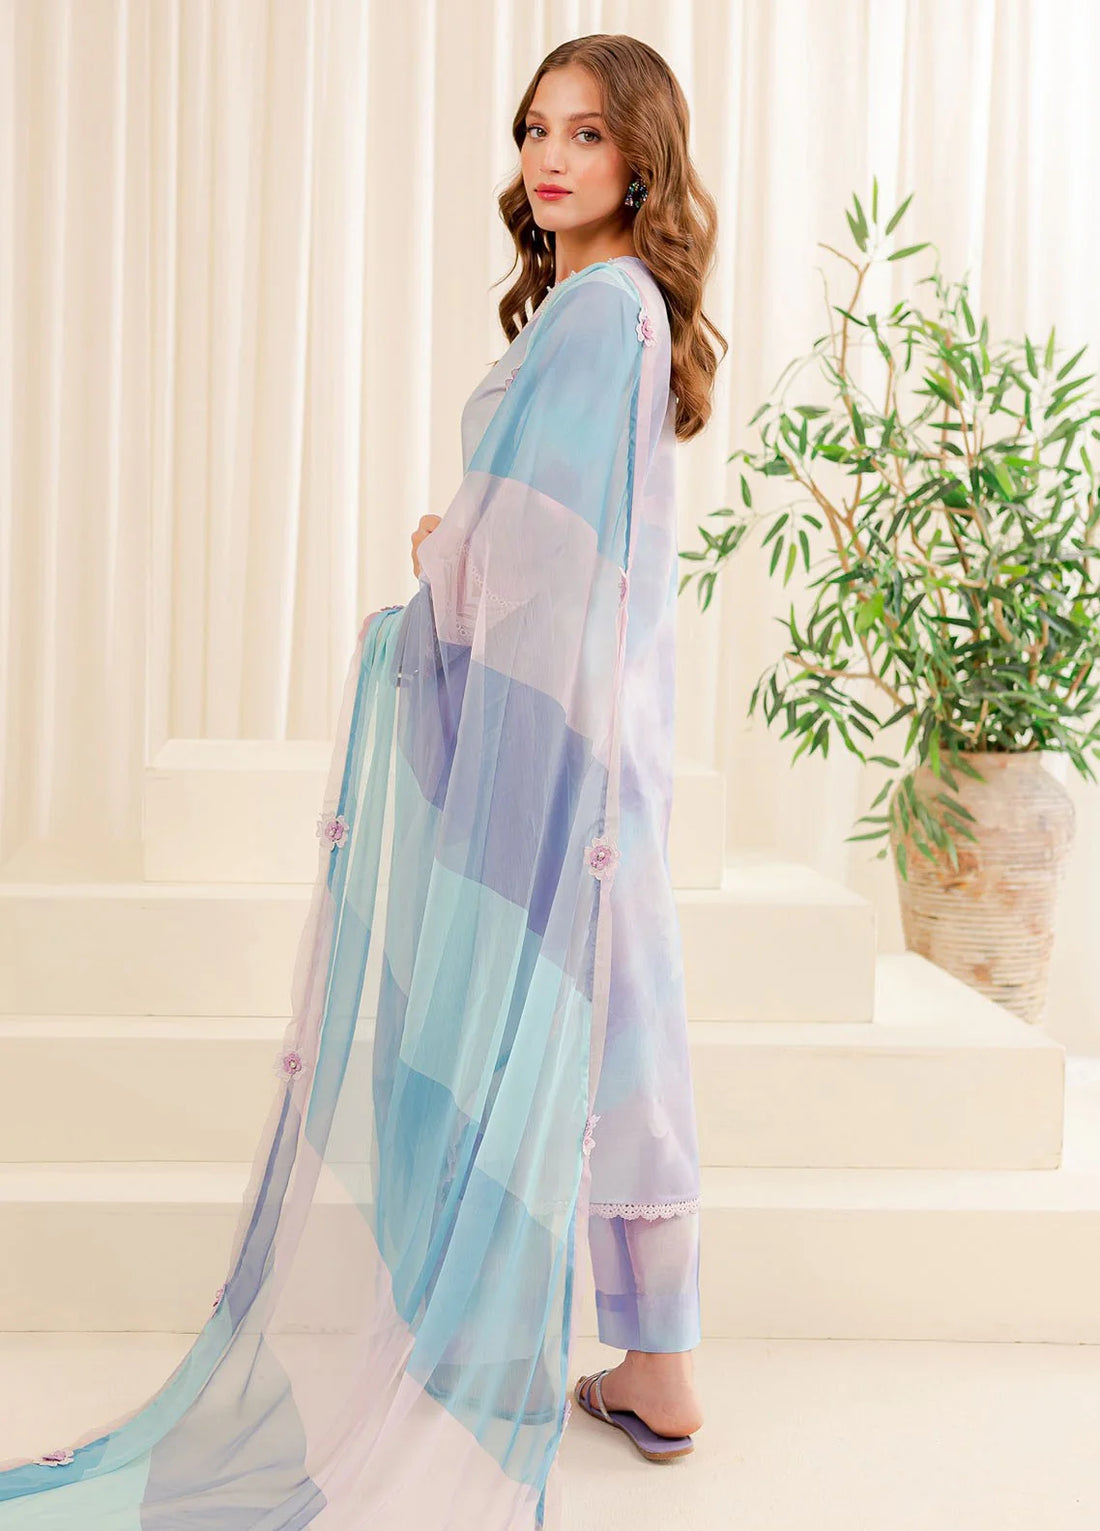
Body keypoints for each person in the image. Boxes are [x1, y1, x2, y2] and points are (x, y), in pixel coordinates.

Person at [0, 31, 725, 1531]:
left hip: (561, 731)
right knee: (610, 1001)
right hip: (593, 719)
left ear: (642, 159)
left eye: (588, 134)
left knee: (563, 1000)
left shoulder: (603, 310)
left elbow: (539, 543)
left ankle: (529, 1339)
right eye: (536, 129)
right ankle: (652, 1358)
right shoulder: (617, 308)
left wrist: (440, 558)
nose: (550, 158)